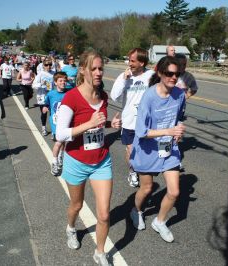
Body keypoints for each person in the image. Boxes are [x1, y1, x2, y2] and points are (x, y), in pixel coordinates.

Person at [56, 50, 121, 266]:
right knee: (77, 205)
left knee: (103, 214)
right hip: (76, 161)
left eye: (101, 68)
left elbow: (99, 123)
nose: (98, 72)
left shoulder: (102, 96)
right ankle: (71, 228)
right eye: (93, 68)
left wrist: (111, 124)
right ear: (82, 70)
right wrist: (88, 124)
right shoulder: (71, 97)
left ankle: (100, 253)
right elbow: (60, 134)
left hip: (101, 161)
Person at [129, 56, 186, 243]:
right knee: (146, 188)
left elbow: (179, 117)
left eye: (177, 74)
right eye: (169, 73)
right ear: (160, 73)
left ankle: (160, 221)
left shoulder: (180, 94)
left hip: (169, 148)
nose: (173, 77)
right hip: (147, 149)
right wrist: (168, 130)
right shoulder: (149, 97)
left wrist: (178, 131)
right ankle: (136, 210)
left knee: (175, 192)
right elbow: (141, 132)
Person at [110, 48, 154, 187]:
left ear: (142, 62)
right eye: (129, 60)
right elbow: (114, 97)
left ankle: (144, 170)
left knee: (145, 151)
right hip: (129, 122)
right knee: (131, 150)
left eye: (133, 61)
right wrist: (124, 80)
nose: (129, 63)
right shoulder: (124, 76)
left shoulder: (151, 75)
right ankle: (132, 171)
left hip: (147, 122)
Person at [43, 72, 68, 176]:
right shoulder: (51, 94)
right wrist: (45, 107)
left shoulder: (69, 93)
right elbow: (47, 102)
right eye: (60, 81)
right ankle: (54, 162)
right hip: (55, 123)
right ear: (55, 82)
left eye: (64, 80)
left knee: (63, 142)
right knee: (58, 142)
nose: (63, 82)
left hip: (67, 121)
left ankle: (61, 155)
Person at [32, 59, 55, 136]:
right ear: (43, 66)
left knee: (53, 113)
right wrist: (41, 84)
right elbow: (34, 85)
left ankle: (53, 130)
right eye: (46, 65)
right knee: (44, 113)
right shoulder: (40, 74)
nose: (48, 66)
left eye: (50, 65)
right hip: (42, 96)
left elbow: (55, 84)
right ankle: (43, 128)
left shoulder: (53, 73)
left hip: (51, 96)